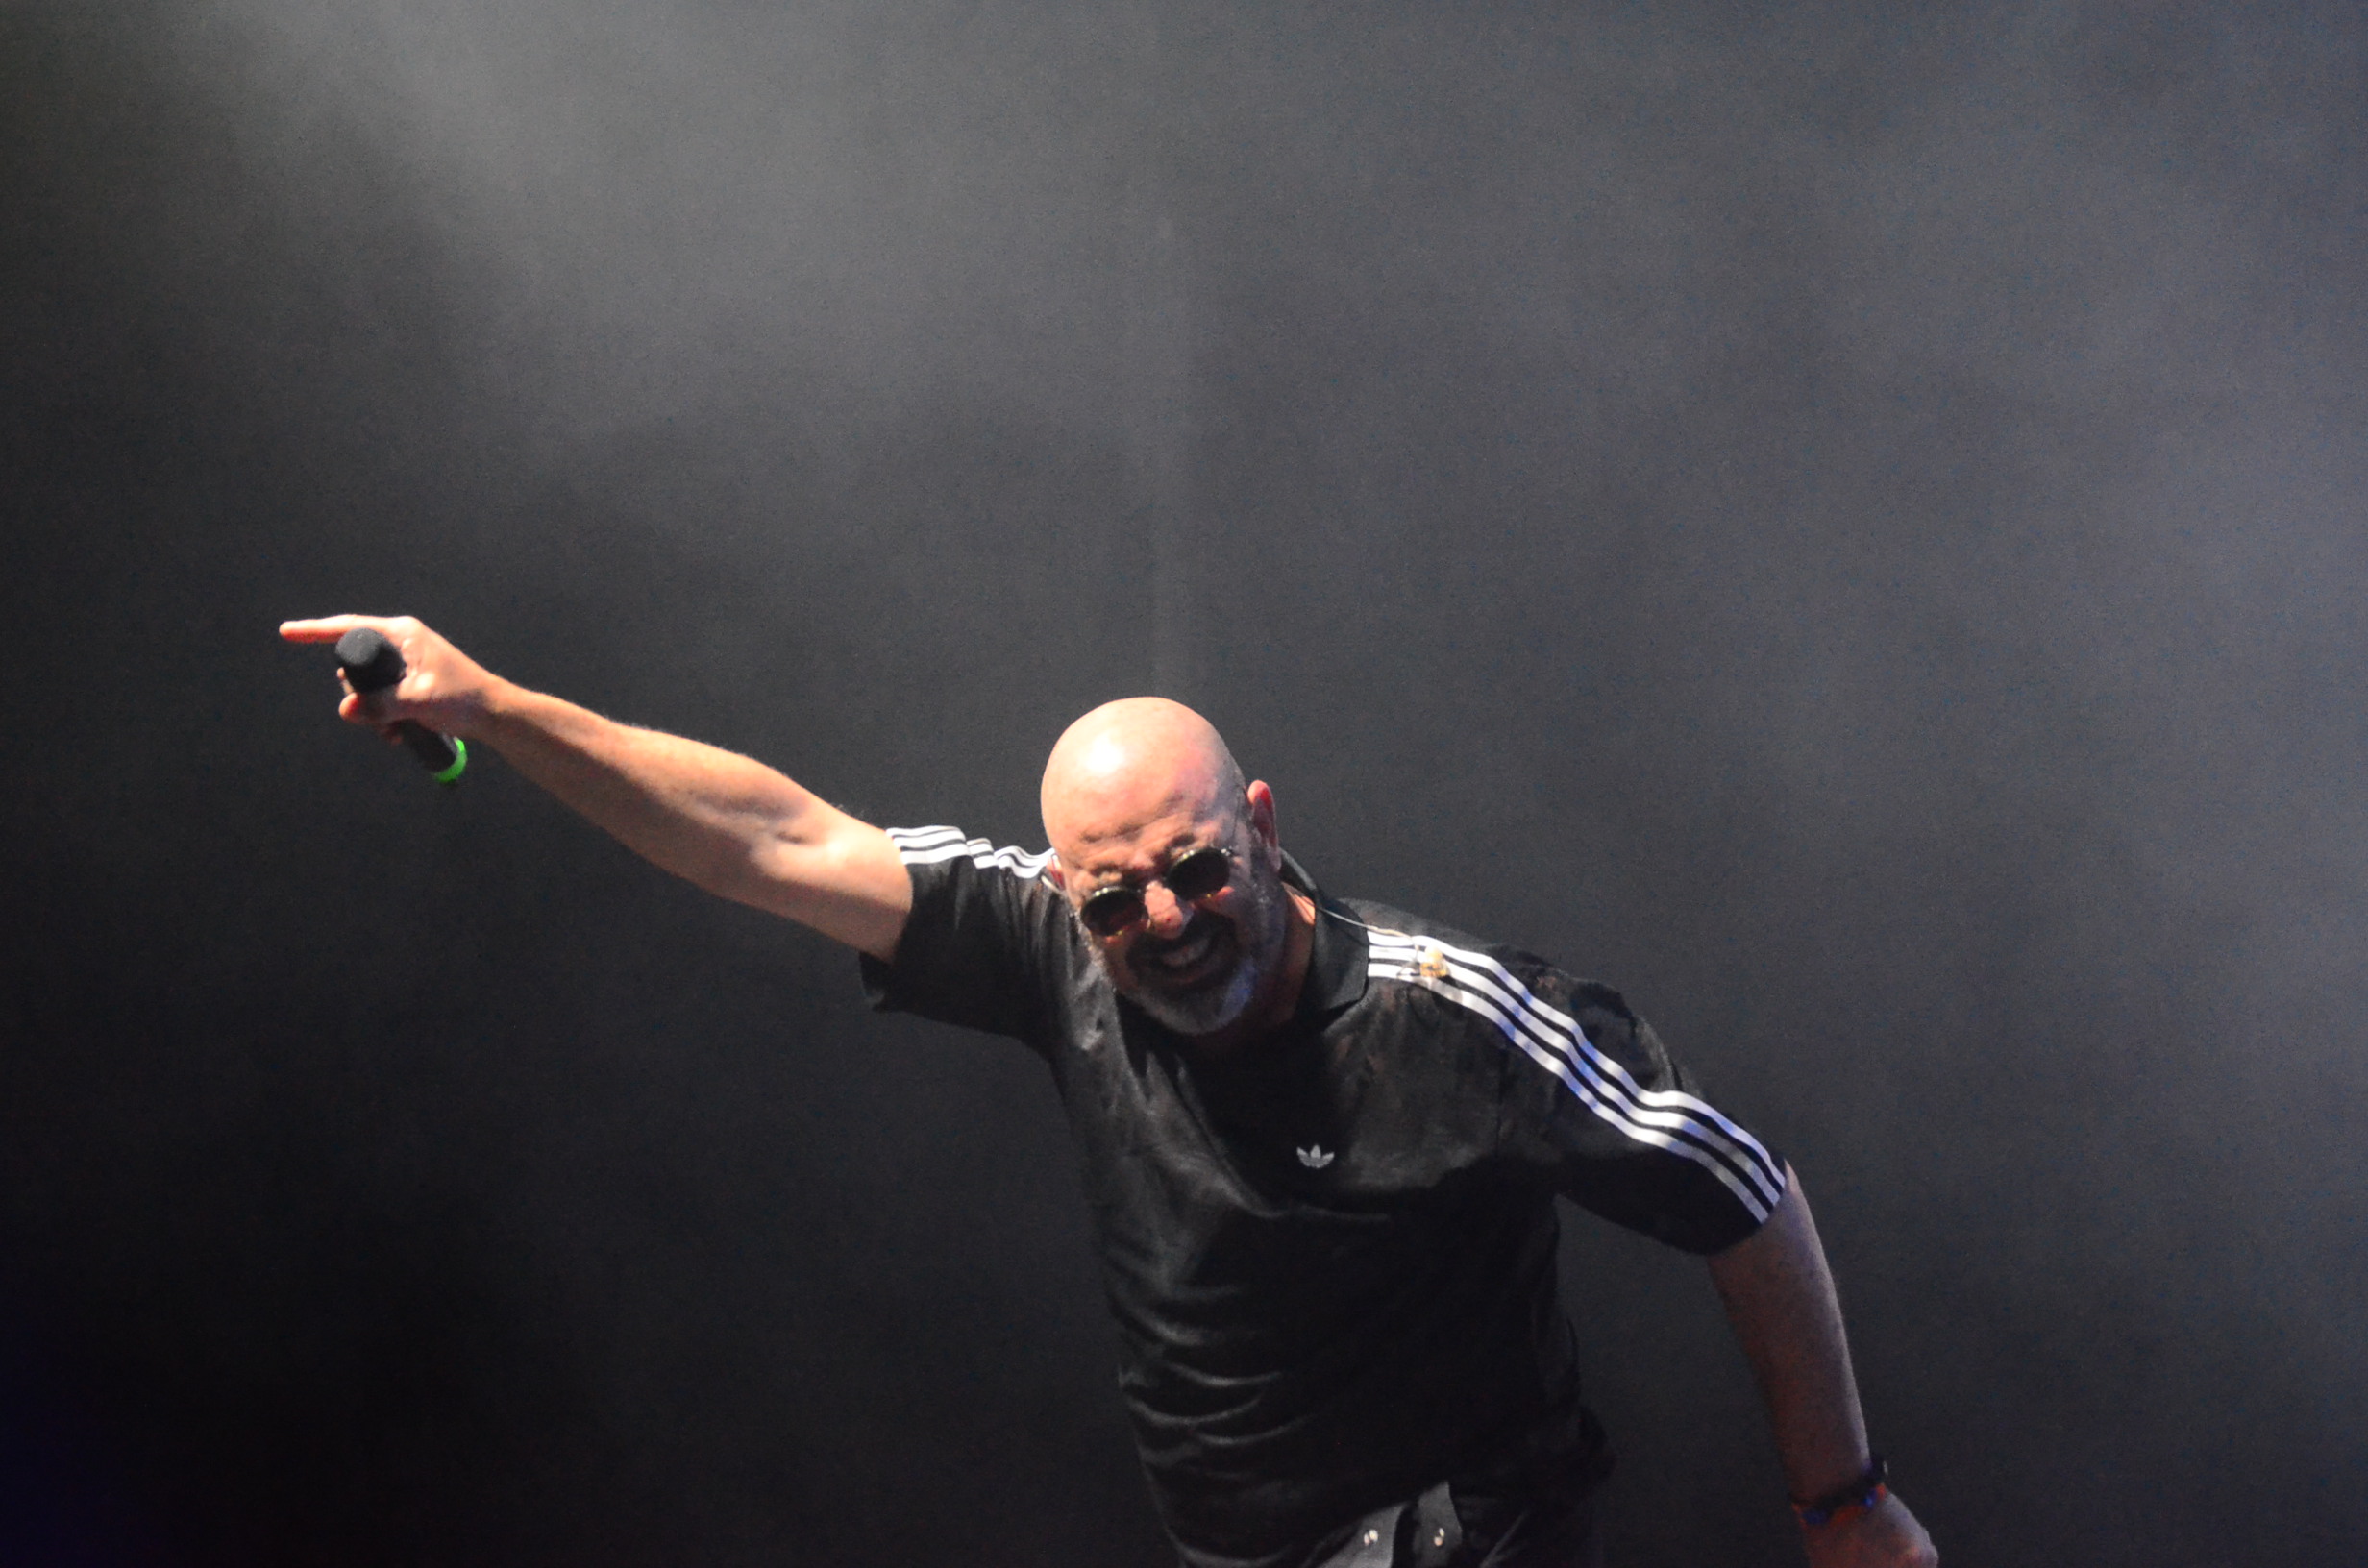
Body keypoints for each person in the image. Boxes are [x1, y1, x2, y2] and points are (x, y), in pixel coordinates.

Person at [281, 613, 1938, 1568]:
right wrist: (492, 707)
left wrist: (1846, 1502)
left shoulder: (1451, 1019)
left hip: (1462, 1534)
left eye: (1196, 871)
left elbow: (1743, 1190)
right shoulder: (1048, 937)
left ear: (1261, 827)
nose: (1166, 921)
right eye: (1116, 896)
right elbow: (769, 839)